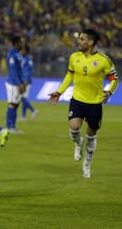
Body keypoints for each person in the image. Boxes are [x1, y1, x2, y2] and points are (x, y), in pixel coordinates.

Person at [48, 29, 119, 178]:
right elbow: (69, 75)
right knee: (74, 127)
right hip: (78, 100)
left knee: (91, 134)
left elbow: (115, 78)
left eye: (82, 39)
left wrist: (109, 92)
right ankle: (78, 143)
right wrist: (59, 92)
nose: (78, 41)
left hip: (95, 102)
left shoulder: (103, 60)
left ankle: (87, 163)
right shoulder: (74, 57)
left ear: (91, 42)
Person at [5, 35, 25, 134]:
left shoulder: (18, 54)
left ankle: (13, 126)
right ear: (16, 44)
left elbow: (19, 70)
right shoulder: (12, 54)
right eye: (21, 42)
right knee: (12, 104)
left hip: (18, 82)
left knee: (16, 104)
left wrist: (22, 83)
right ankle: (9, 127)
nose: (22, 44)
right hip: (13, 83)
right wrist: (18, 84)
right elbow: (13, 71)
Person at [18, 44, 38, 121]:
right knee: (23, 98)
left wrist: (25, 82)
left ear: (26, 50)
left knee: (22, 98)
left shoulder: (28, 59)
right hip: (23, 81)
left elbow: (29, 72)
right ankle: (23, 116)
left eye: (22, 50)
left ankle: (33, 110)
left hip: (26, 82)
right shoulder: (23, 58)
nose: (21, 51)